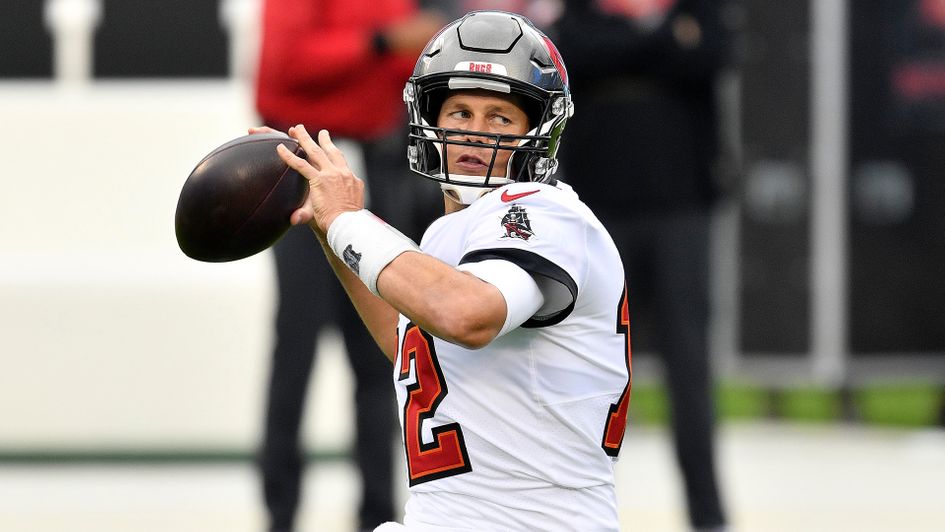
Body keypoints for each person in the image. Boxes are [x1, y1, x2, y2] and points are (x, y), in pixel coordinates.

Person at [255, 10, 632, 530]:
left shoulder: (546, 214)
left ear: (539, 131)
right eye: (459, 112)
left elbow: (463, 315)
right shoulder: (448, 235)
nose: (476, 132)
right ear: (429, 120)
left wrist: (349, 221)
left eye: (500, 117)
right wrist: (331, 234)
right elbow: (417, 346)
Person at [253, 2, 446, 531]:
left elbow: (404, 78)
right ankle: (280, 510)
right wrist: (379, 43)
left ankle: (379, 511)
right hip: (307, 167)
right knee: (297, 344)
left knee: (383, 348)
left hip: (376, 170)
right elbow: (283, 70)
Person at [552, 1, 731, 530]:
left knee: (690, 366)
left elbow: (713, 57)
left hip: (682, 208)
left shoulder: (701, 9)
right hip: (598, 217)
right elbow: (575, 59)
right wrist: (663, 41)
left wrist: (628, 50)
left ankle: (708, 516)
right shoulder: (583, 11)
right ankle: (573, 512)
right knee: (586, 368)